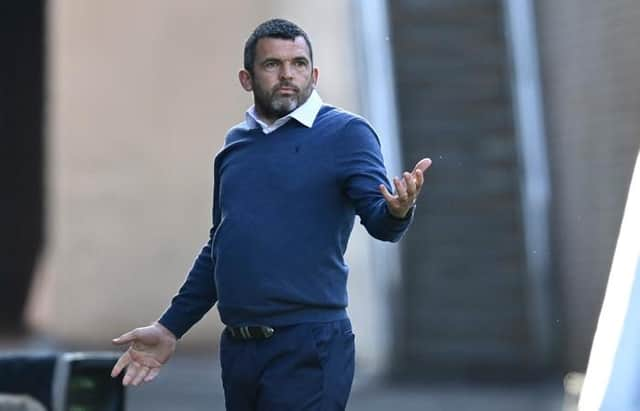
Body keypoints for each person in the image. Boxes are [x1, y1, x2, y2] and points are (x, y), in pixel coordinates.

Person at [110, 18, 431, 410]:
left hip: (308, 346)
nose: (287, 75)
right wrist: (169, 327)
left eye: (297, 64)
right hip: (241, 353)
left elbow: (381, 222)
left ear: (313, 74)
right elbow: (222, 246)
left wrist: (399, 211)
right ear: (247, 78)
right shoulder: (235, 147)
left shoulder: (347, 133)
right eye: (272, 64)